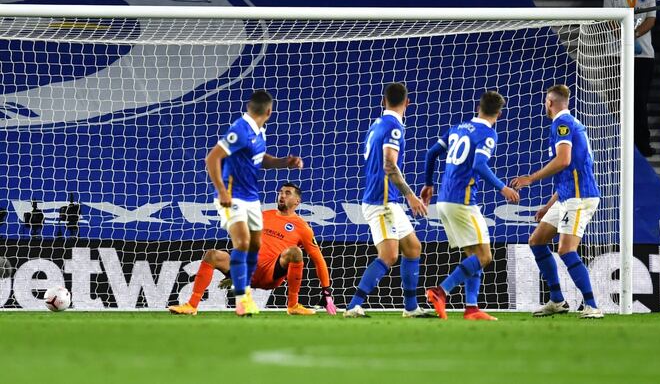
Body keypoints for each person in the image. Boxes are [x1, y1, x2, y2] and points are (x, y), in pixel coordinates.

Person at [423, 91, 520, 321]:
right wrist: (502, 187)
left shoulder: (459, 127)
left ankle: (471, 308)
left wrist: (428, 184)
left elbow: (431, 153)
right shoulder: (488, 134)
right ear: (499, 113)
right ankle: (441, 291)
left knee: (473, 255)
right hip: (462, 202)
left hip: (444, 199)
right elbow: (479, 164)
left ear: (478, 107)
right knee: (485, 257)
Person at [205, 90, 303, 317]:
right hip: (232, 195)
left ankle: (238, 279)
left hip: (251, 198)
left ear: (251, 107)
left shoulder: (259, 133)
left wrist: (284, 162)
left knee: (255, 246)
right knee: (242, 243)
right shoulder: (240, 129)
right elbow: (212, 159)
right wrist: (221, 191)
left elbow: (262, 160)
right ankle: (242, 299)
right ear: (269, 112)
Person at [169, 183, 336, 316]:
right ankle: (191, 306)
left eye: (287, 193)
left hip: (270, 273)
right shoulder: (264, 215)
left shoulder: (303, 228)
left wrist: (326, 291)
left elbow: (318, 259)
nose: (282, 195)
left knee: (295, 252)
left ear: (297, 201)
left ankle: (293, 305)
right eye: (281, 192)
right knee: (212, 255)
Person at [511, 84, 604, 319]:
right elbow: (569, 171)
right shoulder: (570, 124)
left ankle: (592, 305)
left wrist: (531, 178)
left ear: (549, 103)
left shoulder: (562, 125)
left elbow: (563, 161)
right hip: (567, 196)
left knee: (565, 249)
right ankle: (557, 300)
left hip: (579, 198)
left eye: (545, 102)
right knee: (537, 240)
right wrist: (548, 205)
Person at [343, 82, 431, 318]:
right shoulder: (394, 127)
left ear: (384, 101)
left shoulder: (377, 125)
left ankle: (411, 308)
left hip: (387, 199)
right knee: (389, 255)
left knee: (413, 247)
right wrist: (410, 195)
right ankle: (353, 306)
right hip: (380, 201)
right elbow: (389, 164)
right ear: (408, 103)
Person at [603, 0, 657, 157]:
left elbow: (651, 20)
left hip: (643, 56)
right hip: (615, 54)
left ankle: (642, 143)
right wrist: (623, 37)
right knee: (616, 100)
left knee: (639, 101)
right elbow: (608, 21)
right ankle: (617, 142)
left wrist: (633, 35)